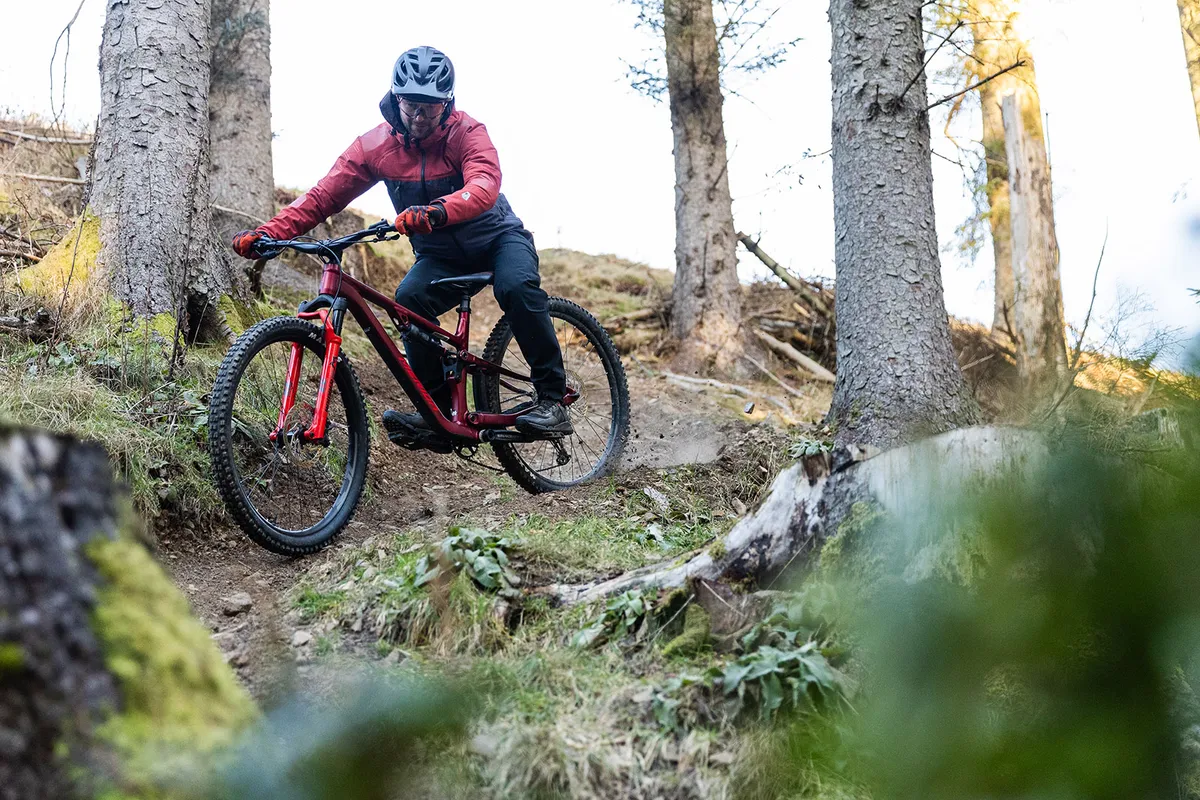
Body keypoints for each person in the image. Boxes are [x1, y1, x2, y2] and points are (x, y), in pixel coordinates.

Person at [231, 46, 571, 445]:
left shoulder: (468, 133)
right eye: (411, 104)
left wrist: (437, 211)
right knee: (408, 301)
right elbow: (323, 197)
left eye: (430, 106)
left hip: (498, 240)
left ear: (447, 104)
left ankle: (552, 400)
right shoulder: (374, 146)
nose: (420, 116)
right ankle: (440, 416)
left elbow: (484, 184)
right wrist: (269, 233)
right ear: (396, 98)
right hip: (440, 257)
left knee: (515, 287)